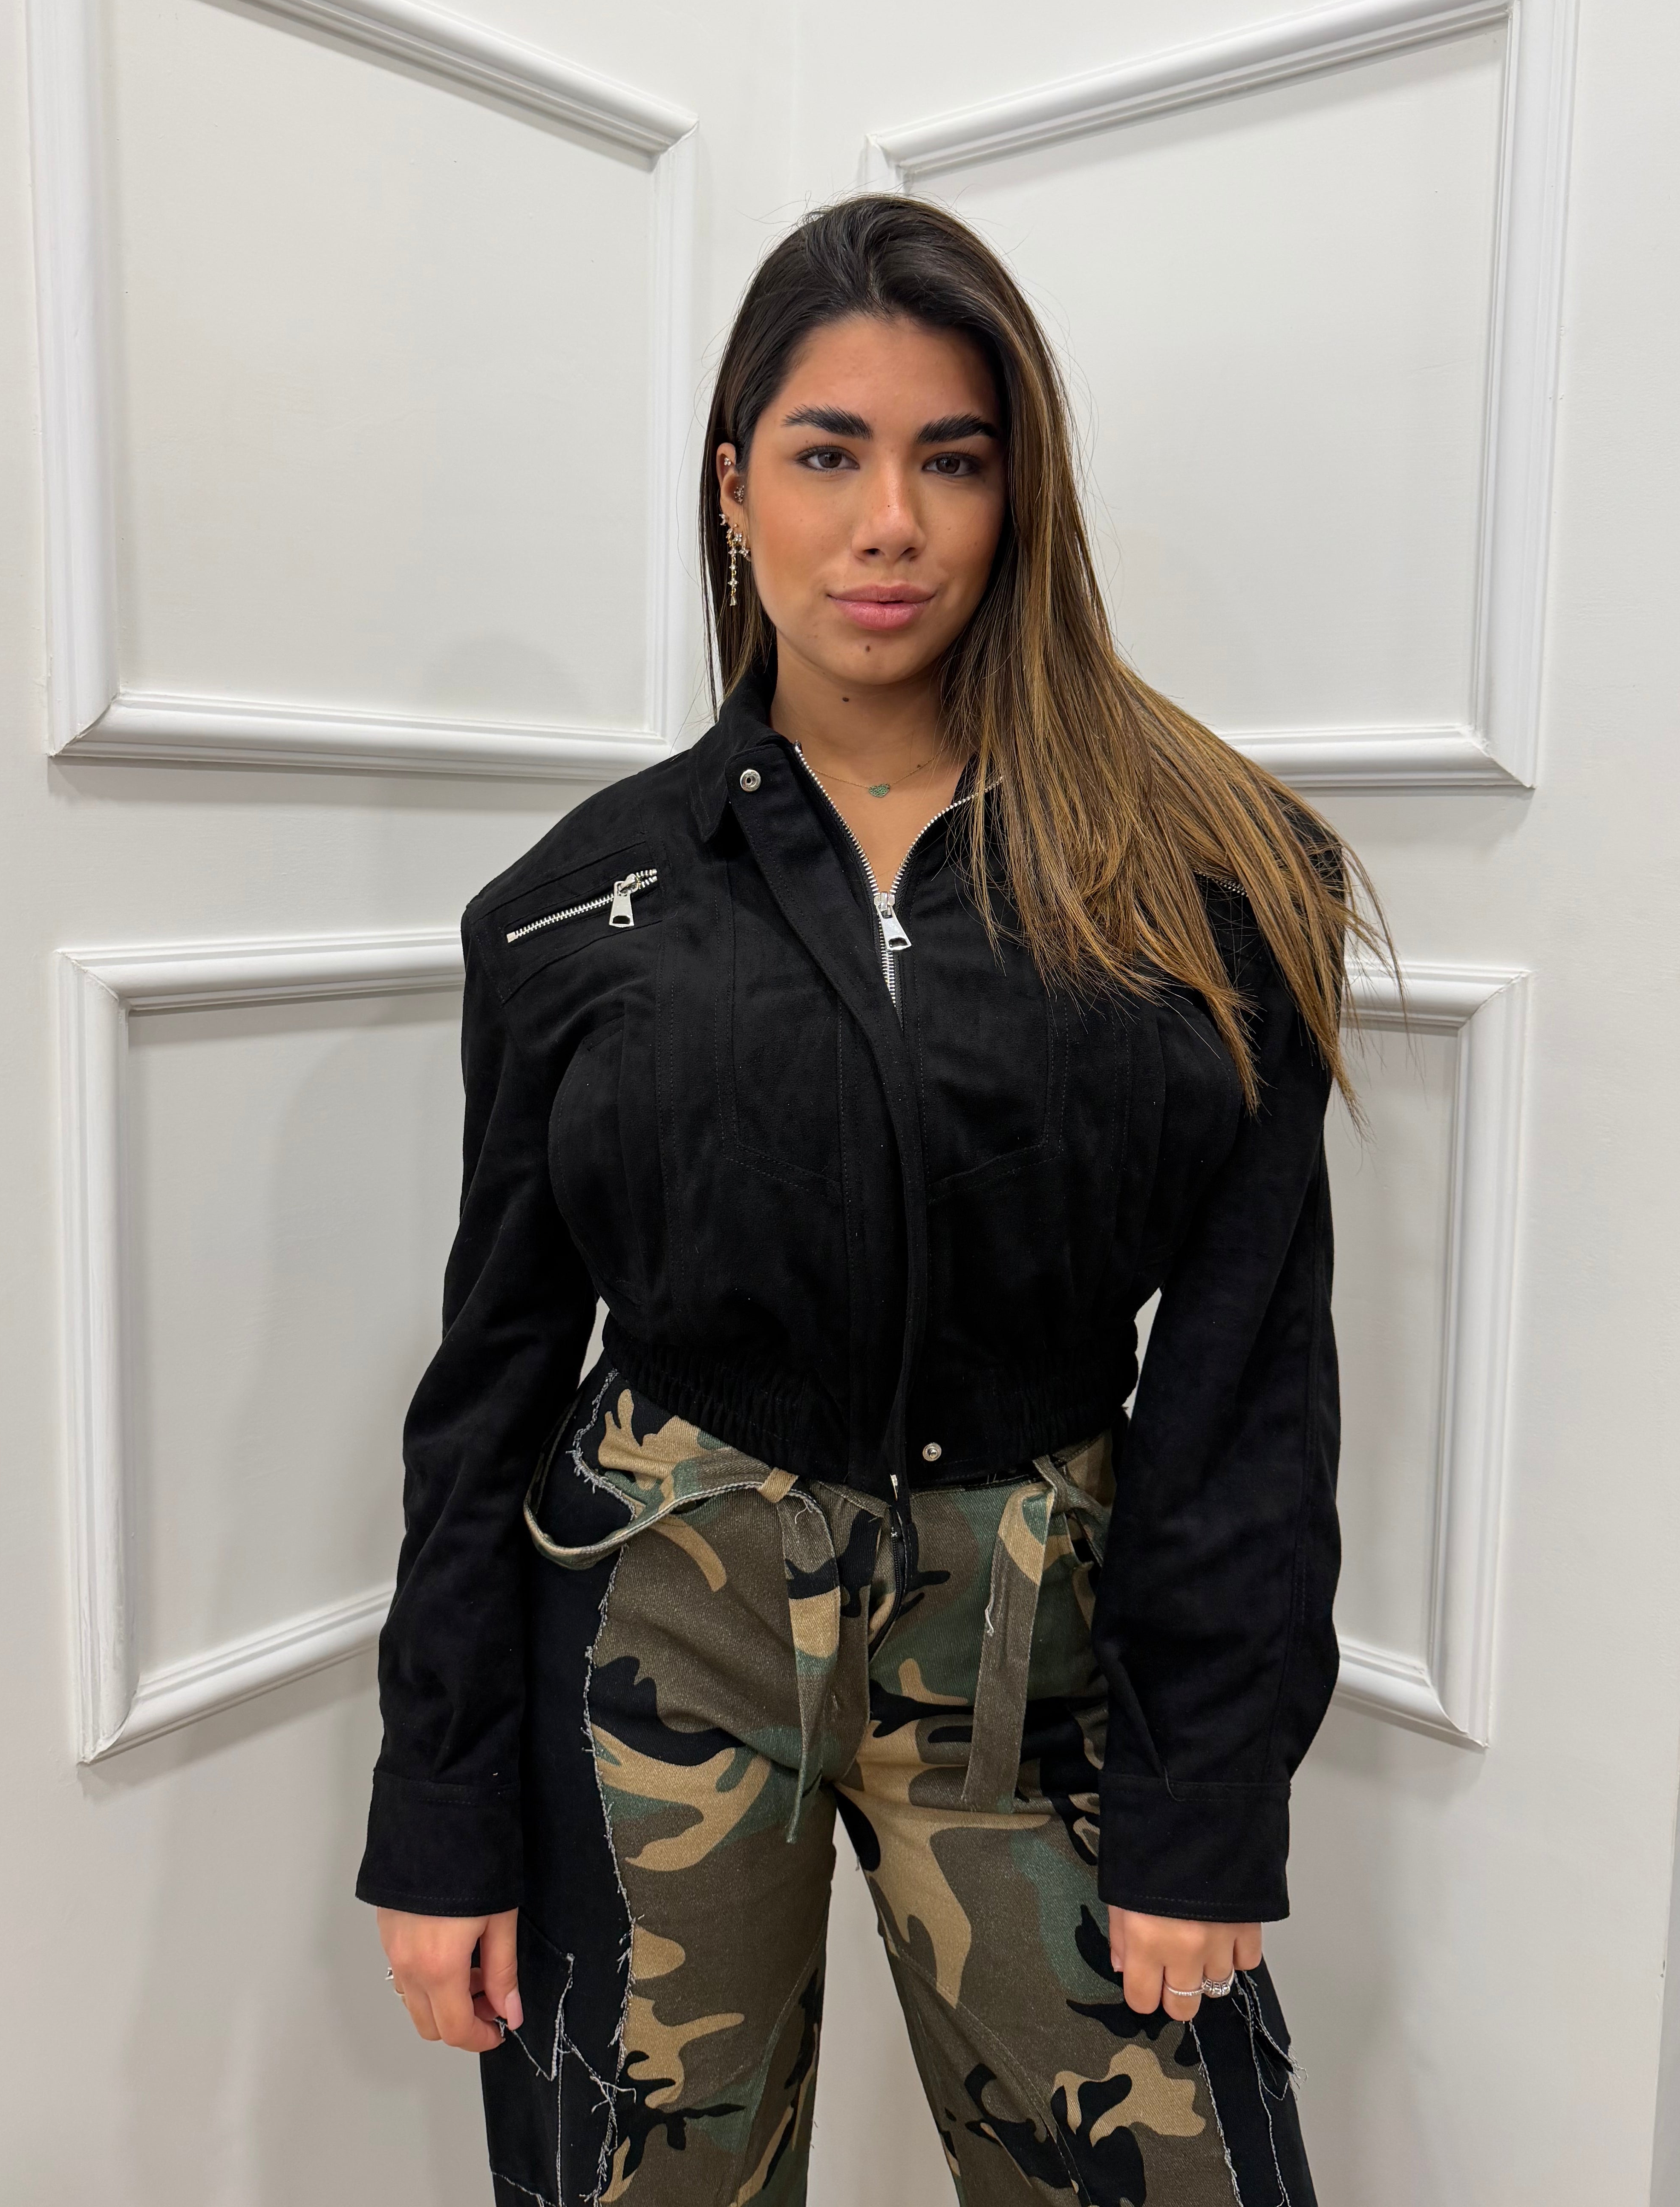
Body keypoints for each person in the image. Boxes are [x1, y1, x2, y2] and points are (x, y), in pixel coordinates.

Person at [354, 193, 1390, 2206]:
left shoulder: (1211, 878)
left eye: (953, 459)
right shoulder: (571, 913)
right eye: (830, 454)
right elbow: (487, 1384)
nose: (890, 523)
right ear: (734, 488)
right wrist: (442, 1804)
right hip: (659, 1618)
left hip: (1043, 1642)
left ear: (1019, 497)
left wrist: (1205, 1799)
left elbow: (1250, 1368)